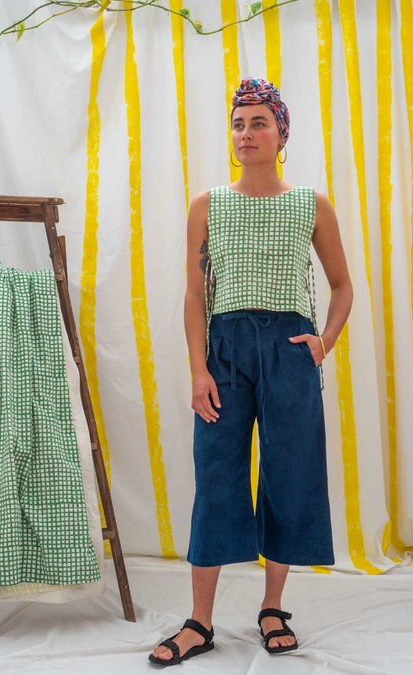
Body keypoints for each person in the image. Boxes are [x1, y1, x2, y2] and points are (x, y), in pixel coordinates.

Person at [149, 77, 353, 666]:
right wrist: (198, 369)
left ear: (281, 133)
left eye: (259, 122)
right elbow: (195, 294)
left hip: (290, 351)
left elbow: (342, 285)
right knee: (216, 475)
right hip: (226, 352)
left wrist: (324, 343)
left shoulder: (311, 204)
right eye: (238, 124)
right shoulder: (207, 205)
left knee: (288, 474)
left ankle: (272, 608)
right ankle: (199, 622)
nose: (246, 133)